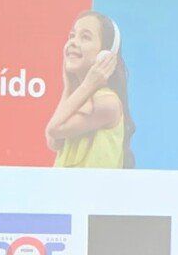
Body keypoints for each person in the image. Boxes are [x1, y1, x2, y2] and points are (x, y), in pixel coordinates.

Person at [43, 11, 134, 169]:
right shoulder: (81, 97)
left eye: (85, 37)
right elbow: (54, 143)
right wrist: (69, 86)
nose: (73, 42)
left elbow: (54, 130)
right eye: (72, 36)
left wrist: (88, 84)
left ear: (105, 56)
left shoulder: (107, 103)